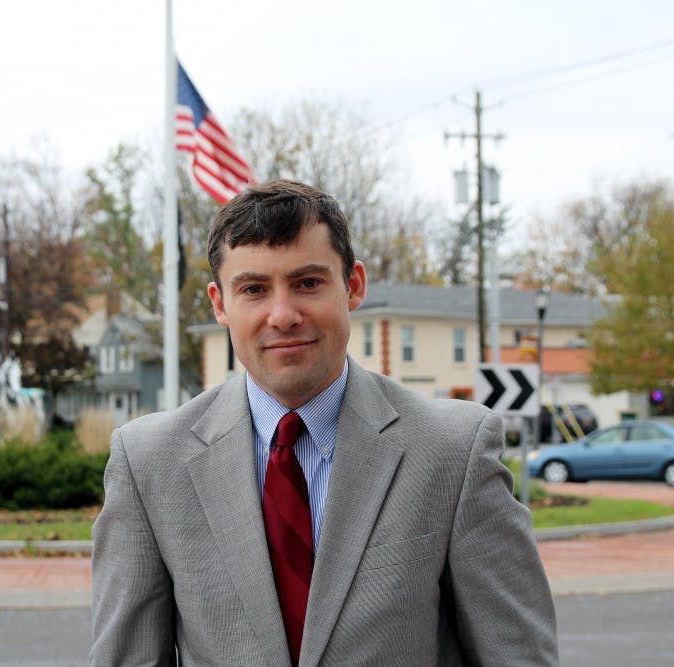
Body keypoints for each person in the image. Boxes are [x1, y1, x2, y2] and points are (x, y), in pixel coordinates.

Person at [89, 179, 558, 666]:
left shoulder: (453, 451)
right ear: (220, 304)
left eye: (307, 283)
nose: (283, 314)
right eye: (253, 289)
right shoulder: (148, 463)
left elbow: (517, 655)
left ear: (352, 286)